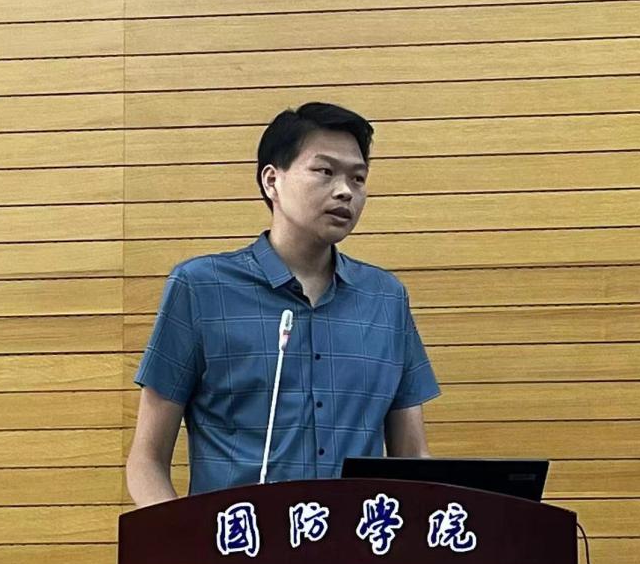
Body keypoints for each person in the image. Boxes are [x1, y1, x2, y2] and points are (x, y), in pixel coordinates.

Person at [125, 102, 440, 506]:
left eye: (358, 178)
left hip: (354, 542)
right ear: (272, 180)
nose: (345, 190)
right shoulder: (201, 288)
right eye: (325, 171)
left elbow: (412, 459)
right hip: (237, 540)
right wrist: (182, 541)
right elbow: (147, 461)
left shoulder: (385, 298)